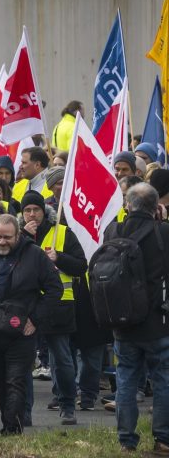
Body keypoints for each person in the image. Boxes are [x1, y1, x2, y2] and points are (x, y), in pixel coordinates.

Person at [0, 214, 60, 435]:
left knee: (16, 380)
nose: (2, 241)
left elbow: (55, 289)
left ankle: (11, 428)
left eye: (7, 237)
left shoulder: (34, 255)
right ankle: (10, 421)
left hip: (21, 335)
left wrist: (35, 320)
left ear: (18, 235)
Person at [103, 183, 169, 451]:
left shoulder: (113, 230)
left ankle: (126, 441)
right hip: (158, 323)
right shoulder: (163, 232)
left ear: (127, 205)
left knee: (126, 380)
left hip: (122, 321)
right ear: (156, 207)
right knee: (163, 379)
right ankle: (163, 439)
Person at [19, 190, 84, 425]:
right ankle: (23, 412)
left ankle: (67, 404)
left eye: (35, 209)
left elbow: (81, 266)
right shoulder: (17, 236)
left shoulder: (62, 233)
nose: (32, 214)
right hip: (27, 308)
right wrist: (23, 238)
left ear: (43, 211)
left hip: (59, 304)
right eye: (27, 210)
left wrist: (60, 258)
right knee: (25, 361)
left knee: (62, 359)